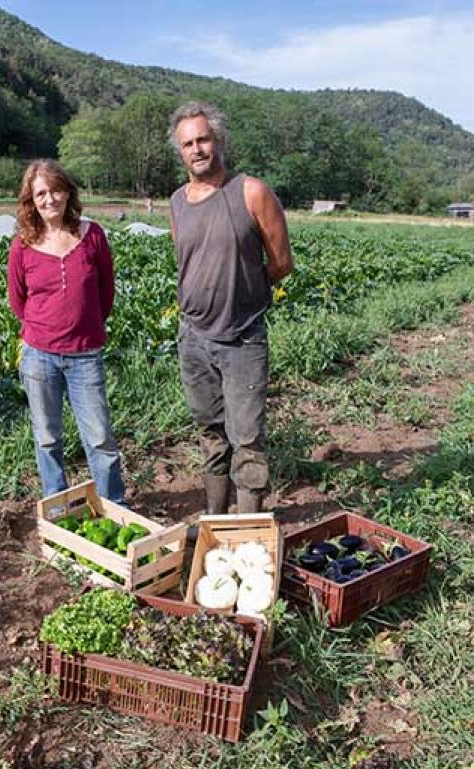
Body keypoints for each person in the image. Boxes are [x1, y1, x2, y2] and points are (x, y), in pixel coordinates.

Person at [168, 101, 293, 514]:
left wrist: (243, 290)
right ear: (180, 151)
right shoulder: (177, 201)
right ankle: (215, 517)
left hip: (242, 337)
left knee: (247, 438)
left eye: (203, 139)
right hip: (193, 338)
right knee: (209, 431)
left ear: (218, 140)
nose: (197, 148)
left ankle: (248, 525)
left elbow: (281, 263)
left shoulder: (251, 192)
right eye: (188, 143)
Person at [7, 159, 126, 503]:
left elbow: (106, 293)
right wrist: (46, 329)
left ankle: (113, 505)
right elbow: (18, 301)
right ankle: (57, 504)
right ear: (31, 201)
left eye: (56, 190)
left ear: (68, 192)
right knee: (47, 437)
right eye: (41, 193)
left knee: (100, 438)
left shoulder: (92, 236)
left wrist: (84, 327)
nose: (50, 199)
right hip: (39, 356)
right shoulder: (23, 245)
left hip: (85, 356)